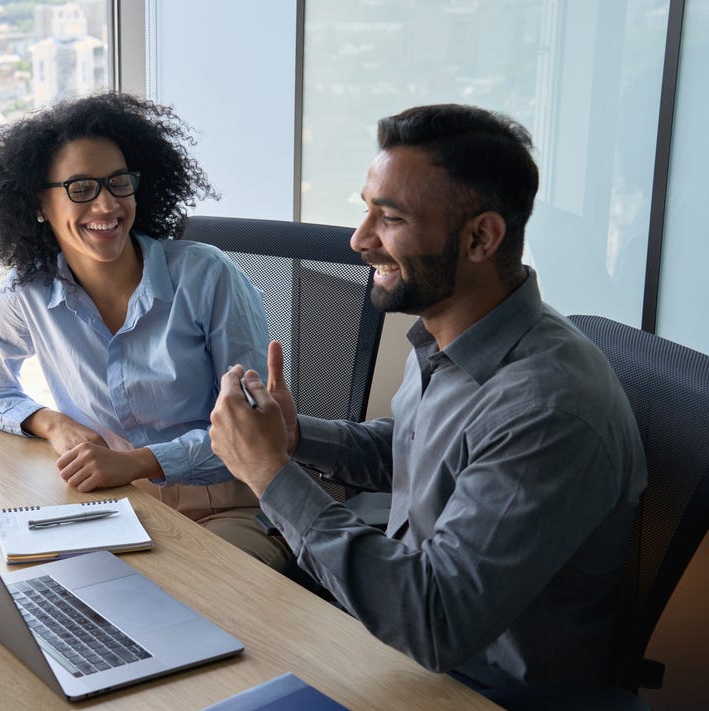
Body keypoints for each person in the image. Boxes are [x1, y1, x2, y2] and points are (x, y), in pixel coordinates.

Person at [209, 104, 646, 691]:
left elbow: (436, 619)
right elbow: (414, 448)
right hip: (389, 647)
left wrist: (270, 475)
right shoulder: (452, 335)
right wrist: (293, 438)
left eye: (389, 218)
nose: (359, 240)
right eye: (366, 211)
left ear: (480, 237)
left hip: (470, 688)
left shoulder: (549, 408)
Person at [0, 91, 290, 570]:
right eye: (81, 188)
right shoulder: (28, 292)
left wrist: (139, 463)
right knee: (42, 591)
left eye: (118, 183)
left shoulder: (207, 277)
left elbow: (257, 434)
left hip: (227, 508)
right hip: (113, 508)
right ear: (38, 205)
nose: (107, 204)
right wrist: (53, 423)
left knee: (186, 601)